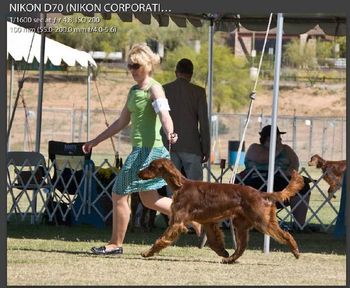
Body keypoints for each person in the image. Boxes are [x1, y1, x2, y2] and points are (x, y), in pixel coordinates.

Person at [82, 43, 200, 255]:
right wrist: (95, 141)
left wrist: (170, 132)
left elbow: (165, 115)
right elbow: (120, 123)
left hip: (149, 152)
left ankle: (115, 245)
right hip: (141, 150)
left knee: (118, 193)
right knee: (150, 200)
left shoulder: (154, 88)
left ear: (147, 66)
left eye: (135, 65)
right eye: (129, 66)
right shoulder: (133, 91)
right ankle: (192, 217)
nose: (132, 70)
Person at [240, 125, 312, 230]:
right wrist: (276, 148)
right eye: (276, 137)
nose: (279, 140)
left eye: (279, 138)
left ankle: (299, 225)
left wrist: (288, 171)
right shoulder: (255, 148)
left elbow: (295, 164)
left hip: (281, 181)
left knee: (302, 187)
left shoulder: (286, 149)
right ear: (267, 138)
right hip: (255, 182)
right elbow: (263, 159)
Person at [162, 58, 210, 183]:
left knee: (172, 187)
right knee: (195, 188)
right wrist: (206, 148)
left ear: (175, 72)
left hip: (168, 145)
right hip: (192, 146)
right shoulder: (199, 92)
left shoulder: (164, 90)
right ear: (191, 74)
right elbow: (204, 123)